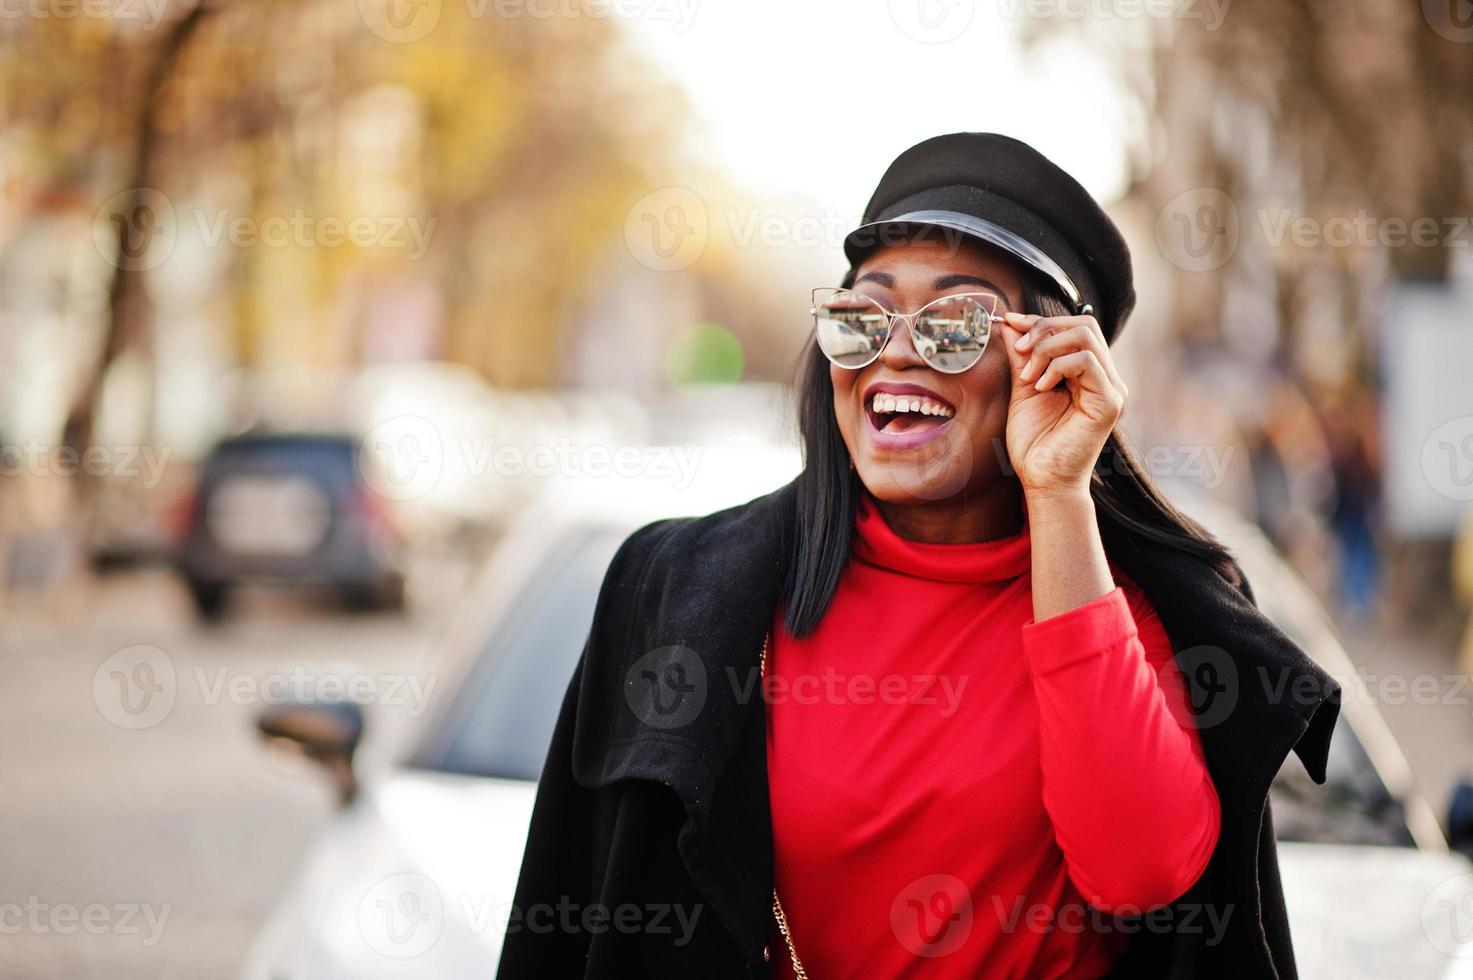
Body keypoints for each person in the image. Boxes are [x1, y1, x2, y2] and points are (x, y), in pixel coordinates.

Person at [497, 133, 1341, 979]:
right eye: (863, 317)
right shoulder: (672, 592)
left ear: (1047, 364)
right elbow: (565, 927)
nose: (895, 350)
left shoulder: (1142, 604)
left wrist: (1055, 492)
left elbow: (1140, 874)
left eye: (955, 323)